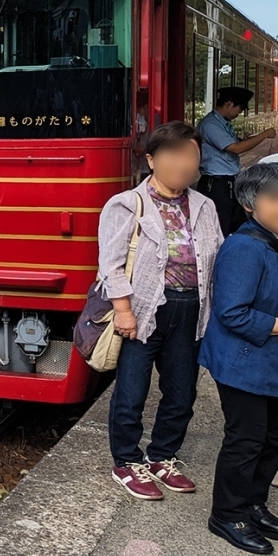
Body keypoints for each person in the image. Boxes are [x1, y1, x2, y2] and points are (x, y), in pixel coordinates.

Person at [99, 121, 222, 500]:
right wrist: (123, 311)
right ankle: (126, 461)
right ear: (152, 159)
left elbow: (216, 256)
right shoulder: (126, 205)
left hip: (192, 309)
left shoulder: (204, 205)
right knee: (132, 392)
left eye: (191, 155)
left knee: (182, 391)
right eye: (173, 154)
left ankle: (162, 456)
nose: (183, 163)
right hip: (144, 309)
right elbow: (111, 264)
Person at [200, 162, 278, 554]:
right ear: (250, 205)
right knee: (246, 440)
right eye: (276, 199)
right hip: (244, 365)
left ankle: (253, 503)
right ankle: (227, 514)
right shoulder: (244, 247)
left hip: (277, 364)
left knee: (274, 437)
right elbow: (232, 312)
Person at [197, 87, 277, 236]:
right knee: (220, 228)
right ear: (228, 104)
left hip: (228, 182)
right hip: (216, 184)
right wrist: (264, 135)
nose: (239, 113)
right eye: (239, 109)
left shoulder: (224, 124)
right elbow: (235, 148)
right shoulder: (210, 124)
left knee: (233, 225)